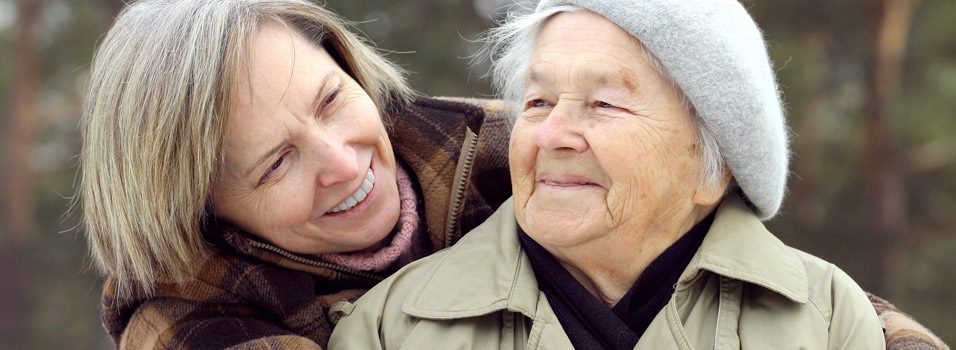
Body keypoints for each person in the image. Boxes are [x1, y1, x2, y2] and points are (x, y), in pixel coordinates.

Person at [328, 0, 889, 348]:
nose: (550, 135)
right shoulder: (394, 326)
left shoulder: (827, 318)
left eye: (603, 105)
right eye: (540, 101)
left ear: (712, 169)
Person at [78, 0, 510, 348]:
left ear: (347, 65)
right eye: (277, 164)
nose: (342, 165)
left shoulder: (506, 145)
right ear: (200, 212)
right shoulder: (188, 324)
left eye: (330, 102)